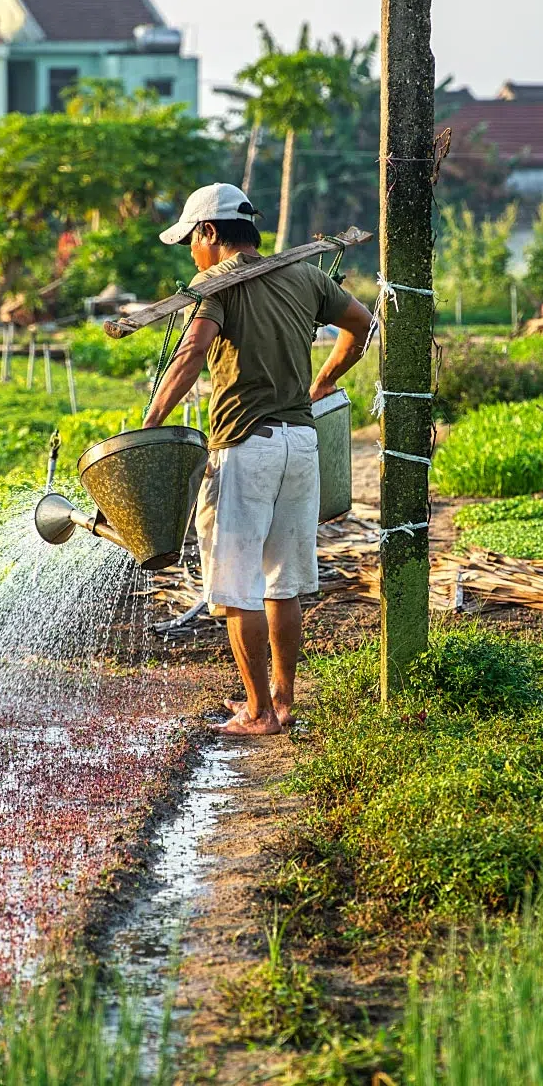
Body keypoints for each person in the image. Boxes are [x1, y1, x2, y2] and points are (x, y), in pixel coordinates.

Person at [143, 183, 373, 737]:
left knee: (235, 586)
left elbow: (191, 355)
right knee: (283, 584)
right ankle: (282, 701)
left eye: (191, 243)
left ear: (209, 233)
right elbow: (362, 323)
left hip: (245, 447)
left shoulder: (213, 283)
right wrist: (323, 380)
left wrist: (149, 427)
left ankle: (258, 713)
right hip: (300, 443)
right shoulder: (305, 275)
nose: (191, 256)